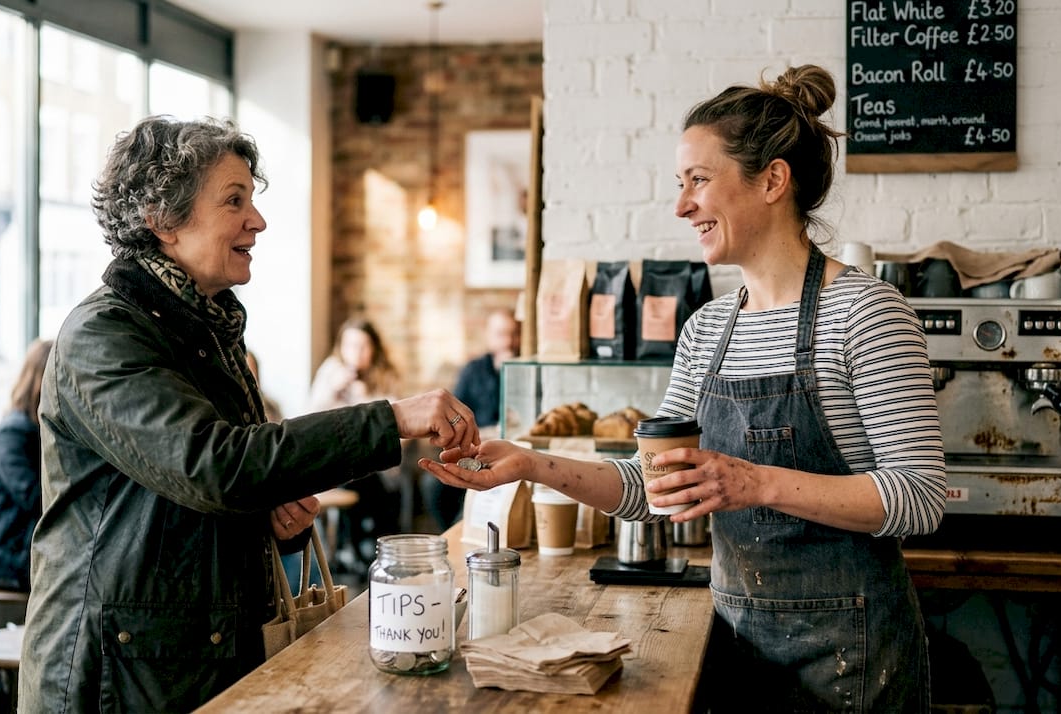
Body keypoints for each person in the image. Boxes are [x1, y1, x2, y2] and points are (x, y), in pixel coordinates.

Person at [422, 65, 945, 712]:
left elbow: (919, 499)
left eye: (699, 180)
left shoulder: (866, 312)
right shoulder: (708, 329)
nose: (681, 205)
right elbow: (649, 489)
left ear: (773, 180)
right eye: (681, 184)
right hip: (736, 643)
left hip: (853, 655)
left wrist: (755, 483)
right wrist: (529, 464)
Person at [19, 115, 478, 713]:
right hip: (113, 676)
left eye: (252, 200)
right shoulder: (103, 334)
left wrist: (265, 515)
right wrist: (390, 418)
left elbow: (205, 490)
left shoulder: (210, 327)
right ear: (162, 218)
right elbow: (215, 466)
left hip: (186, 659)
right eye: (234, 200)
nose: (256, 221)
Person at [305, 317, 405, 562]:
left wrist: (367, 402)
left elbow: (396, 425)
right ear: (341, 347)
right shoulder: (331, 371)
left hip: (375, 463)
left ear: (374, 348)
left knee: (375, 483)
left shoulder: (385, 375)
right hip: (337, 460)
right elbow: (308, 420)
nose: (356, 353)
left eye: (363, 346)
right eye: (350, 346)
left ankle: (372, 548)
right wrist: (333, 390)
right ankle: (362, 549)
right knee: (361, 480)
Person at [422, 307, 520, 530]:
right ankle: (451, 533)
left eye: (513, 333)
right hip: (474, 447)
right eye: (500, 334)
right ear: (488, 336)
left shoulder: (525, 370)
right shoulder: (473, 370)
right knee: (433, 485)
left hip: (510, 450)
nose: (507, 341)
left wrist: (509, 371)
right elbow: (453, 414)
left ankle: (467, 527)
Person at [0, 338, 52, 591]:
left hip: (21, 541)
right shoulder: (14, 432)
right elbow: (35, 498)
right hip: (6, 550)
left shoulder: (33, 428)